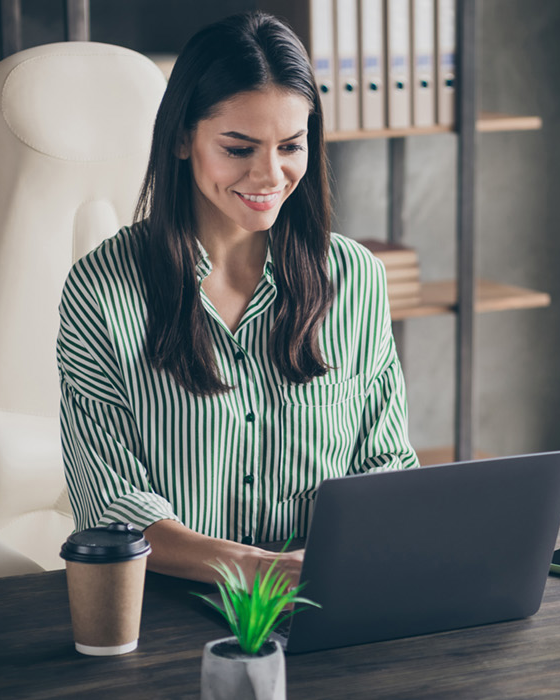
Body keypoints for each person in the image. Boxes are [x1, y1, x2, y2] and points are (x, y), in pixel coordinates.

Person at [57, 12, 418, 586]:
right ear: (182, 138)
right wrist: (260, 570)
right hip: (173, 606)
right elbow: (113, 507)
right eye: (238, 148)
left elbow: (386, 465)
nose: (269, 174)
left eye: (291, 146)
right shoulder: (101, 291)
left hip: (326, 593)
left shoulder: (355, 278)